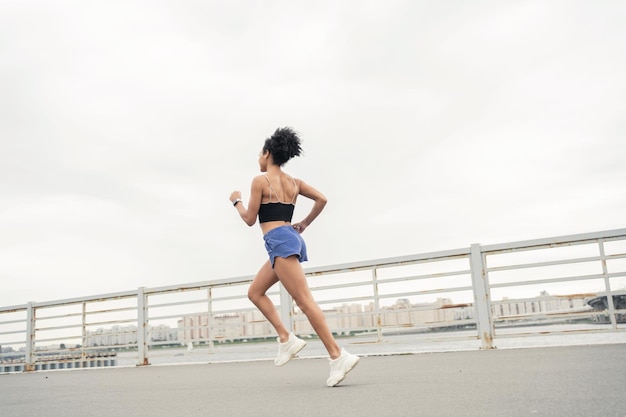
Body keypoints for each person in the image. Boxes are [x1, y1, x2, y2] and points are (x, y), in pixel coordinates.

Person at [229, 127, 360, 387]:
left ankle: (337, 356)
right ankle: (286, 338)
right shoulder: (294, 183)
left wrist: (236, 201)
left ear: (267, 153)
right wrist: (304, 223)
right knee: (255, 292)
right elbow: (322, 199)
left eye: (259, 153)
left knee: (304, 301)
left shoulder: (260, 180)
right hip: (287, 238)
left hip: (279, 240)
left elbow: (249, 219)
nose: (258, 158)